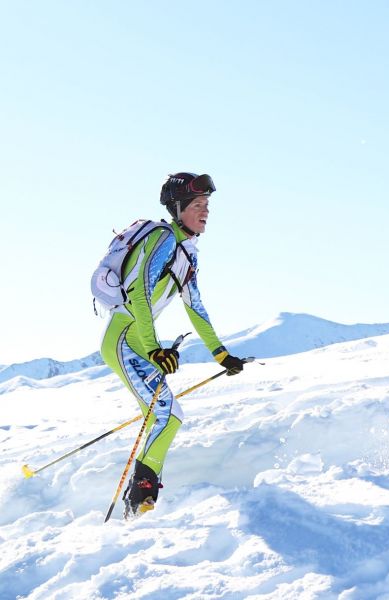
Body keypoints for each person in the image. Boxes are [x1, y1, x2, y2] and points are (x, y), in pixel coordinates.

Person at [99, 172, 246, 517]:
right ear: (178, 208)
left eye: (207, 204)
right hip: (126, 342)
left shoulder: (187, 252)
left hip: (140, 344)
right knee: (167, 417)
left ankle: (141, 506)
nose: (205, 210)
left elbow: (195, 306)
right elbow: (139, 294)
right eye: (198, 204)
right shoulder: (164, 239)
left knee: (164, 418)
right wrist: (152, 349)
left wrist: (221, 354)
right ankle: (139, 501)